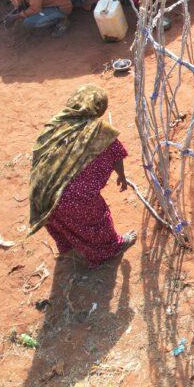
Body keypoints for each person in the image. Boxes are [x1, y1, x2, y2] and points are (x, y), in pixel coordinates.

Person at [26, 85, 137, 266]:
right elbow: (117, 153)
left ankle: (69, 245)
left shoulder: (57, 123)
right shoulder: (100, 130)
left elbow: (39, 154)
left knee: (62, 220)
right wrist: (122, 177)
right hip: (73, 197)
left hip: (43, 192)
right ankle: (111, 249)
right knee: (96, 220)